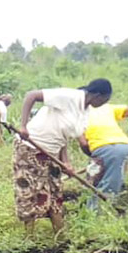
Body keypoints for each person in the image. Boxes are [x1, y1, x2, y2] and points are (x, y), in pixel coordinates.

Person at [15, 79, 113, 233]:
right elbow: (31, 95)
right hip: (31, 147)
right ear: (98, 95)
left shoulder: (85, 111)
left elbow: (63, 137)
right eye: (105, 100)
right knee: (30, 191)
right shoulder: (69, 96)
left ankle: (60, 236)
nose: (104, 103)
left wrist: (65, 162)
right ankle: (29, 237)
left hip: (52, 152)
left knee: (55, 191)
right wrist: (23, 126)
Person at [79, 102, 128, 209]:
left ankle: (98, 214)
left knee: (105, 185)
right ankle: (90, 211)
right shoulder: (104, 107)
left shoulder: (77, 115)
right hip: (122, 147)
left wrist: (93, 155)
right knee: (95, 182)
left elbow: (83, 143)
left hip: (106, 149)